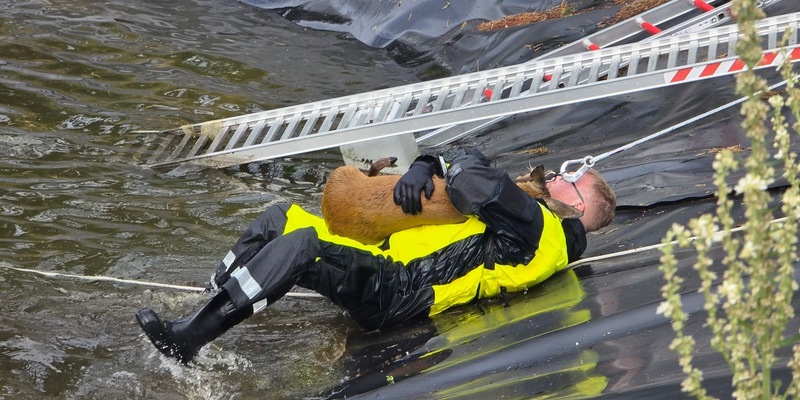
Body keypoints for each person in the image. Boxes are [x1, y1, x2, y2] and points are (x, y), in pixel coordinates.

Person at [135, 150, 616, 363]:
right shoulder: (536, 223)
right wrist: (427, 165)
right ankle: (208, 301)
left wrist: (433, 166)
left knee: (303, 248)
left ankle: (190, 340)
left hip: (404, 291)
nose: (554, 176)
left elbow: (473, 176)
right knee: (281, 217)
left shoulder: (541, 229)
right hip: (385, 257)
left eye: (566, 179)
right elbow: (469, 164)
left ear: (574, 204)